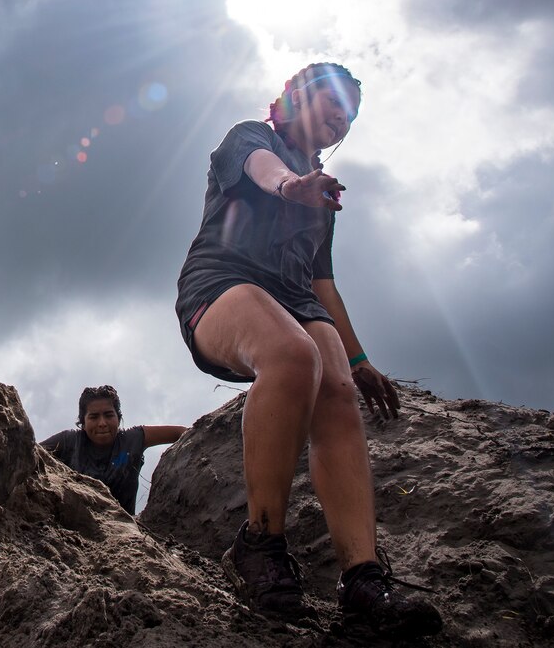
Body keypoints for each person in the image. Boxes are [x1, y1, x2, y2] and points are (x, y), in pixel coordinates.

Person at [175, 63, 442, 638]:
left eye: (351, 113)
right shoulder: (251, 137)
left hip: (298, 298)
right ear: (296, 98)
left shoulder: (324, 192)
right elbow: (261, 168)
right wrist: (290, 186)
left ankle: (363, 580)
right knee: (293, 355)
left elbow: (323, 285)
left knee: (338, 391)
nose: (342, 116)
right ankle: (259, 544)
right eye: (333, 101)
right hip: (224, 282)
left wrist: (360, 360)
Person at [40, 385, 186, 514]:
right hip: (72, 529)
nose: (102, 423)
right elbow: (30, 451)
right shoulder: (69, 441)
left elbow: (181, 432)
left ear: (119, 418)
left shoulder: (132, 439)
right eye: (94, 417)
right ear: (83, 423)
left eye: (108, 415)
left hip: (124, 529)